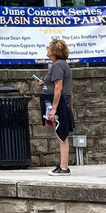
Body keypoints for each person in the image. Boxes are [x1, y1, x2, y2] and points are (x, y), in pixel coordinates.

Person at [39, 38, 75, 175]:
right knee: (60, 133)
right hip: (58, 102)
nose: (47, 49)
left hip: (59, 104)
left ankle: (64, 166)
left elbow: (59, 87)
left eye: (49, 47)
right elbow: (55, 84)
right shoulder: (60, 65)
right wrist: (45, 84)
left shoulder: (58, 65)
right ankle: (62, 164)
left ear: (54, 50)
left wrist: (54, 108)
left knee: (62, 133)